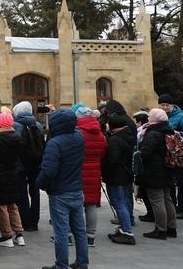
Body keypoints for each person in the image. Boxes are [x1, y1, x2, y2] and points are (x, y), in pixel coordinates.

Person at [37, 109, 88, 269]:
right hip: (76, 188)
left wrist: (40, 183)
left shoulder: (55, 142)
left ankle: (61, 266)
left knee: (61, 231)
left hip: (60, 191)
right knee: (79, 229)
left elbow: (49, 170)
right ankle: (82, 264)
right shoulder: (79, 137)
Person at [139, 108, 177, 240]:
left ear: (155, 119)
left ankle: (160, 230)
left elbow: (145, 153)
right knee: (167, 199)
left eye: (150, 116)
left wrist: (139, 154)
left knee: (157, 200)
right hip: (168, 168)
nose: (148, 118)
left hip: (154, 171)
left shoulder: (153, 133)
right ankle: (172, 228)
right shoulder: (169, 130)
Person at [157, 94, 183, 219]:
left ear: (172, 105)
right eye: (162, 105)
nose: (164, 107)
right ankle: (173, 207)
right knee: (169, 182)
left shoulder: (181, 116)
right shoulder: (160, 117)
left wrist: (179, 133)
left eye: (167, 105)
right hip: (167, 153)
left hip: (180, 153)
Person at [0, 112, 25, 248]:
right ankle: (19, 234)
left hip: (0, 174)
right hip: (14, 172)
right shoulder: (17, 137)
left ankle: (7, 235)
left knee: (2, 205)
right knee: (13, 204)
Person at [74, 105, 107, 247]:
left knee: (75, 204)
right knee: (91, 203)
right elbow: (104, 151)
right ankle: (90, 236)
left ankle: (71, 234)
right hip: (94, 170)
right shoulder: (99, 133)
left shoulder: (77, 133)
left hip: (78, 170)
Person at [103, 113, 137, 245]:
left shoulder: (114, 140)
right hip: (126, 174)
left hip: (116, 176)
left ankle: (127, 232)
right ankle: (124, 229)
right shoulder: (128, 135)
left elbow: (112, 160)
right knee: (123, 202)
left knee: (119, 203)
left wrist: (104, 171)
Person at [12, 101, 44, 231]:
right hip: (36, 163)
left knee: (22, 193)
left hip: (20, 164)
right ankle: (35, 221)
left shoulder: (15, 125)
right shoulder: (38, 125)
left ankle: (25, 221)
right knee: (35, 192)